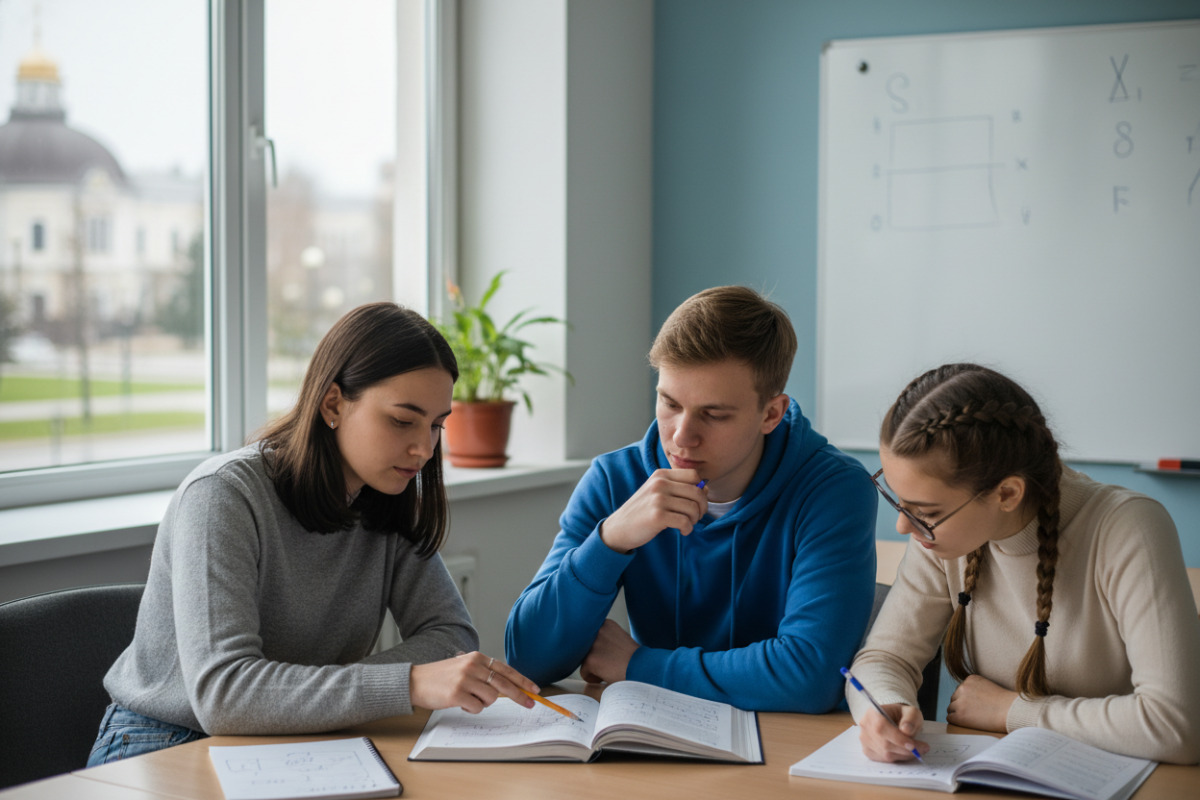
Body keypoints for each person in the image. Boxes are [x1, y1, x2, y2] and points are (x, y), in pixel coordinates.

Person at [87, 303, 539, 765]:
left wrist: (308, 694)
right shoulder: (222, 495)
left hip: (305, 734)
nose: (424, 448)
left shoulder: (387, 496)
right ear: (333, 405)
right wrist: (407, 683)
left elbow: (452, 635)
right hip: (165, 741)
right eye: (403, 420)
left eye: (437, 425)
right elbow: (224, 696)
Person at [504, 286, 877, 712]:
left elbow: (810, 676)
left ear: (771, 414)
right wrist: (611, 540)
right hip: (657, 737)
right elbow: (528, 659)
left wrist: (638, 664)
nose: (681, 436)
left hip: (787, 750)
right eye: (669, 403)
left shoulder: (834, 490)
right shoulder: (614, 480)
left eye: (714, 414)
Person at [849, 363, 1200, 765]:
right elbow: (884, 660)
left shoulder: (1129, 528)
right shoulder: (943, 538)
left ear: (1007, 493)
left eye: (923, 511)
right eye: (898, 500)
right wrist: (881, 709)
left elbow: (1177, 725)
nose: (901, 525)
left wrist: (1011, 711)